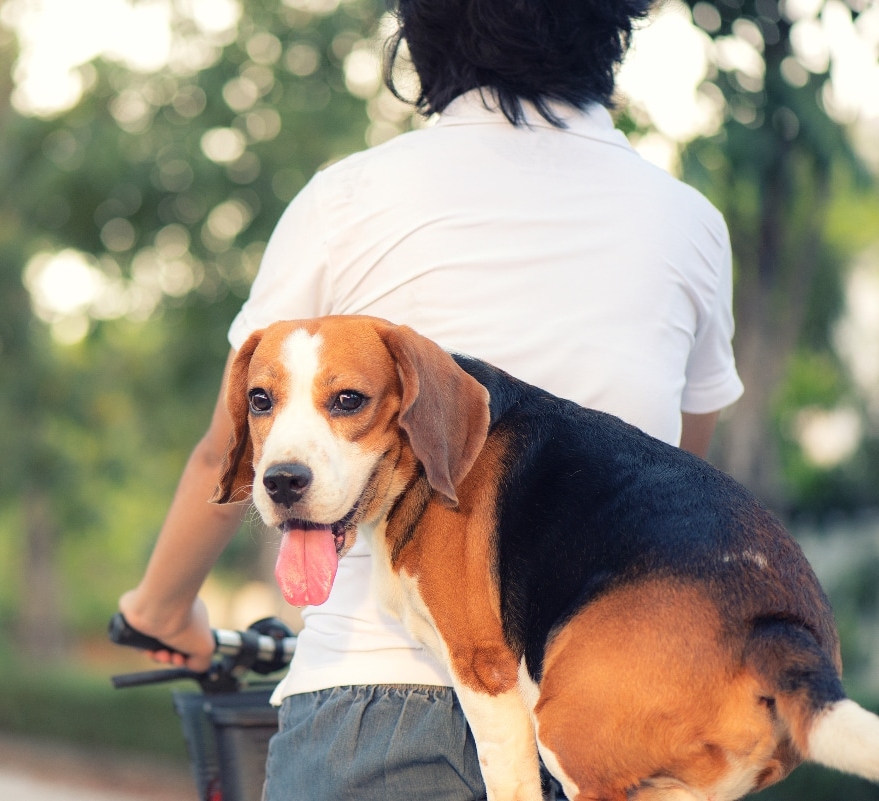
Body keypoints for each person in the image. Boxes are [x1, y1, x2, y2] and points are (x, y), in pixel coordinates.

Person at [118, 0, 745, 797]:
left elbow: (225, 450)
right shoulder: (689, 222)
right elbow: (672, 477)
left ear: (419, 38)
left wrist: (164, 609)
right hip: (605, 719)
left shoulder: (342, 200)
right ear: (613, 30)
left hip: (367, 709)